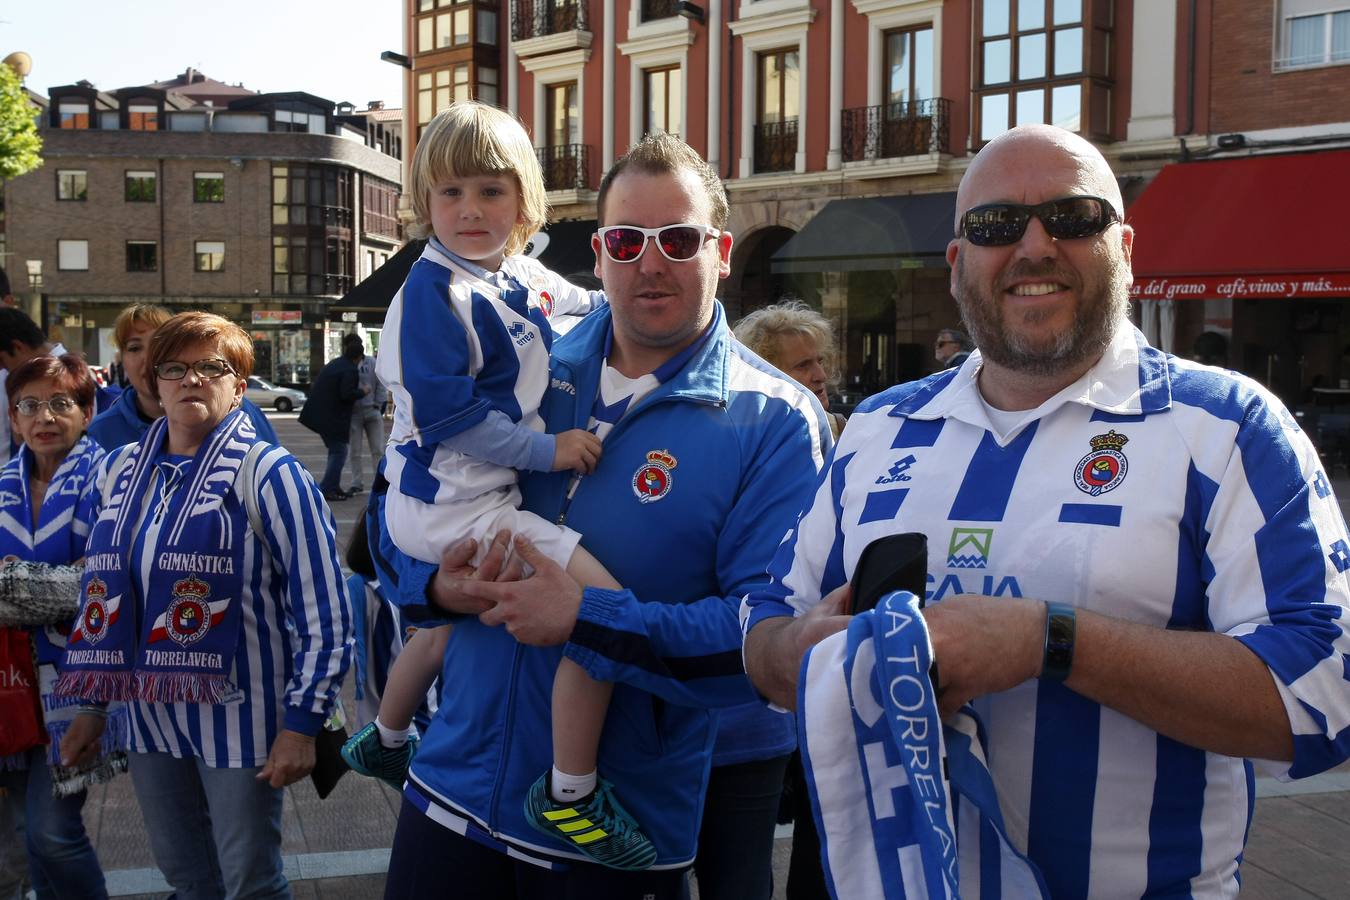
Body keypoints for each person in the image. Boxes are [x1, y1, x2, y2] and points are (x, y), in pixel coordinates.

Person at [742, 124, 1350, 897]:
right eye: (997, 225)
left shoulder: (1228, 429)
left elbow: (1322, 693)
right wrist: (801, 654)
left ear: (1124, 245)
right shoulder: (879, 427)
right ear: (959, 262)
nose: (1034, 247)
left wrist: (1052, 641)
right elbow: (763, 625)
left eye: (1073, 218)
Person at [369, 130, 829, 897]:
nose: (652, 262)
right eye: (627, 239)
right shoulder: (523, 352)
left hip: (613, 832)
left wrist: (586, 616)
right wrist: (438, 589)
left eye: (678, 239)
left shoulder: (776, 418)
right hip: (450, 787)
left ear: (720, 250)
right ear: (602, 252)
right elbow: (401, 510)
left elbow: (762, 642)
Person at [360, 100, 660, 870]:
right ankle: (569, 792)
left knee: (441, 628)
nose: (468, 209)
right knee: (602, 612)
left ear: (524, 201)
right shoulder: (431, 295)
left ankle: (386, 739)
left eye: (490, 191)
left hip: (450, 500)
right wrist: (548, 450)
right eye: (450, 192)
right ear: (424, 201)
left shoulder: (510, 271)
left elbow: (588, 304)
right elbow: (453, 420)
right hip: (451, 503)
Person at [55, 312, 353, 900]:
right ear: (152, 382)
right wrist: (92, 704)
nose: (190, 380)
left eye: (211, 368)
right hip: (147, 717)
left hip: (242, 717)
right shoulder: (117, 473)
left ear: (238, 386)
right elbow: (104, 597)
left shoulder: (270, 476)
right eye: (174, 368)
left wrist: (302, 724)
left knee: (249, 881)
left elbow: (326, 612)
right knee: (185, 875)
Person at [0, 355, 124, 900]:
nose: (43, 416)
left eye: (60, 403)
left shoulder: (111, 478)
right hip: (9, 684)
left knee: (53, 831)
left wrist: (14, 587)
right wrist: (53, 583)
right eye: (29, 405)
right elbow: (70, 581)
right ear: (12, 418)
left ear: (87, 410)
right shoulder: (2, 483)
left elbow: (103, 582)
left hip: (80, 680)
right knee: (30, 833)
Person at [86, 303, 277, 451]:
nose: (148, 357)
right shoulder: (102, 431)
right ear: (121, 359)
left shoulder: (245, 413)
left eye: (158, 345)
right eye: (135, 348)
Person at [734, 299, 846, 439]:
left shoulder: (842, 432)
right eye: (803, 365)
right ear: (765, 375)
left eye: (820, 361)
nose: (821, 375)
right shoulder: (743, 440)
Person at [299, 336, 369, 502]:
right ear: (359, 357)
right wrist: (363, 392)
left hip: (319, 414)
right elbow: (346, 394)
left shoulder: (337, 363)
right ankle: (328, 488)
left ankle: (333, 486)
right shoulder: (350, 369)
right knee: (339, 451)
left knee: (336, 450)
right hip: (330, 417)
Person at [346, 334, 387, 494]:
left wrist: (378, 404)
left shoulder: (372, 362)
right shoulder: (347, 363)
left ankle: (380, 481)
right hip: (354, 413)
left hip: (372, 410)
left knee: (377, 448)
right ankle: (357, 482)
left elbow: (380, 384)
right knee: (354, 450)